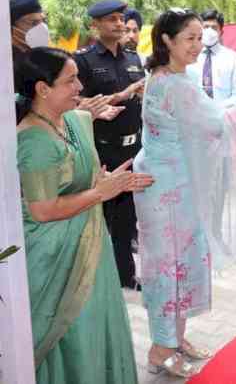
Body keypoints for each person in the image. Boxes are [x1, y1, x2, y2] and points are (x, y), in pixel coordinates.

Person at [134, 8, 236, 378]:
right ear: (166, 41)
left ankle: (175, 337)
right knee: (167, 268)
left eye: (201, 37)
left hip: (178, 185)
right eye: (190, 38)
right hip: (167, 191)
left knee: (184, 261)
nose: (199, 45)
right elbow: (219, 124)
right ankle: (161, 347)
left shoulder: (176, 77)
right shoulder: (172, 84)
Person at [15, 46, 153, 384]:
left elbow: (75, 181)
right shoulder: (33, 140)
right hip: (55, 258)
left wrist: (107, 182)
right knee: (73, 334)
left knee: (95, 328)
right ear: (42, 89)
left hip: (89, 247)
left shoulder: (71, 122)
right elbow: (43, 210)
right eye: (71, 80)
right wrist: (101, 192)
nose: (79, 87)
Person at [74, 0, 147, 289]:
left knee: (127, 218)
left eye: (121, 18)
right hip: (102, 146)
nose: (119, 24)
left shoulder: (133, 59)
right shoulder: (83, 60)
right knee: (101, 215)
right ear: (95, 25)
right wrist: (123, 95)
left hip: (133, 147)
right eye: (111, 20)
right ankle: (96, 278)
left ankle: (125, 276)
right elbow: (75, 100)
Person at [10, 0, 117, 120]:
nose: (41, 28)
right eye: (33, 23)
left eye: (43, 21)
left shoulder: (40, 60)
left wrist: (85, 111)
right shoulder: (8, 68)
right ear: (10, 27)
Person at [186, 9, 236, 108]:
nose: (209, 31)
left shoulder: (233, 59)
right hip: (192, 117)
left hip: (224, 117)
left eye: (214, 28)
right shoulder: (188, 56)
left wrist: (215, 110)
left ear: (221, 32)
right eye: (205, 27)